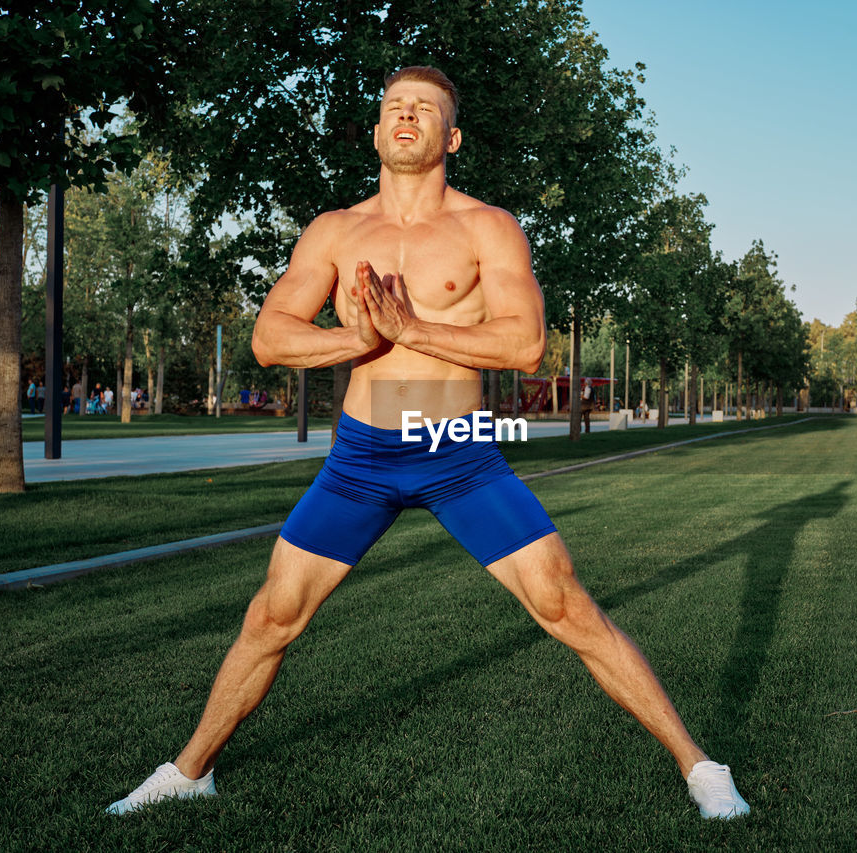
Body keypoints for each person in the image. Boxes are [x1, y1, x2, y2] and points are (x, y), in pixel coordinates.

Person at [106, 66, 748, 821]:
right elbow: (271, 336)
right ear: (378, 132)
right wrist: (357, 335)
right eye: (393, 107)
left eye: (425, 108)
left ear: (452, 136)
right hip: (360, 459)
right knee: (272, 615)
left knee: (563, 601)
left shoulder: (488, 227)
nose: (406, 116)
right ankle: (189, 770)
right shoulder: (335, 231)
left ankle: (702, 766)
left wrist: (414, 330)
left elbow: (527, 343)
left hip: (458, 450)